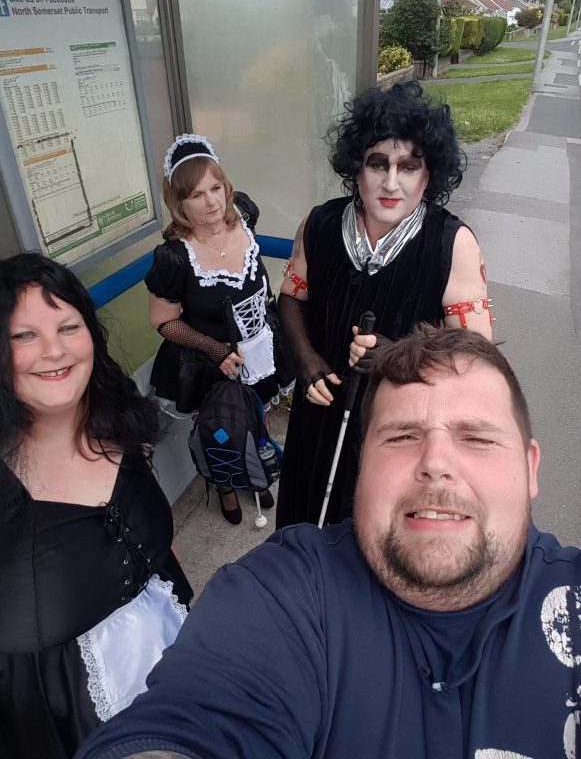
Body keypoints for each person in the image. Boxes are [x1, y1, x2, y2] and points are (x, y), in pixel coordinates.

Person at [74, 325, 581, 759]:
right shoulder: (285, 594)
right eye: (401, 436)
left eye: (477, 437)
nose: (436, 463)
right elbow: (197, 719)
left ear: (530, 468)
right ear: (361, 466)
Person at [0, 253, 193, 759]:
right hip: (60, 727)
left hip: (173, 672)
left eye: (68, 326)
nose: (53, 350)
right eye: (23, 336)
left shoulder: (119, 425)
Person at [276, 80, 493, 528]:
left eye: (408, 166)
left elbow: (476, 359)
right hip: (317, 417)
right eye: (378, 164)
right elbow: (292, 298)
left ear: (428, 174)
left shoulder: (454, 245)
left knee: (374, 545)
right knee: (302, 532)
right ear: (357, 168)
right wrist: (307, 359)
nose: (392, 182)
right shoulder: (318, 224)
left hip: (399, 432)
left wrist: (398, 356)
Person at [145, 134, 293, 524]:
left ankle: (257, 471)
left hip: (260, 345)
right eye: (196, 195)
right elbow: (163, 321)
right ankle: (225, 485)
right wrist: (213, 348)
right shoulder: (175, 258)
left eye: (216, 187)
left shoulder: (244, 213)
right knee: (219, 428)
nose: (212, 202)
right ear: (179, 204)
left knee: (256, 415)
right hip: (210, 360)